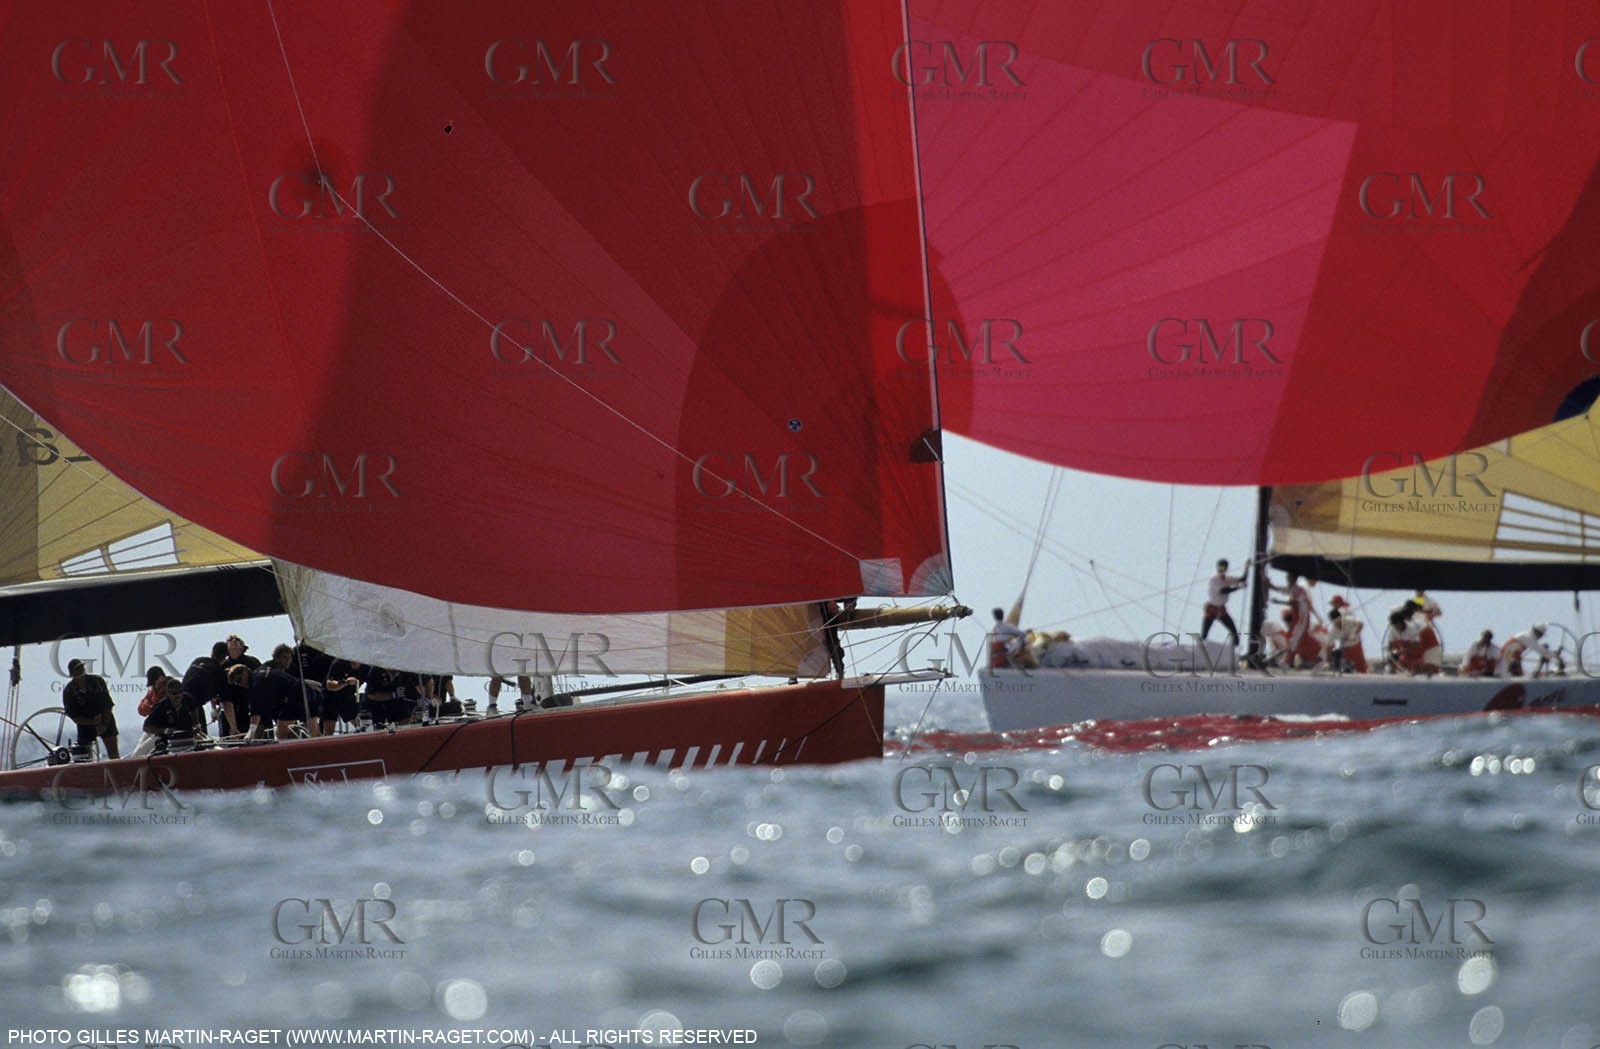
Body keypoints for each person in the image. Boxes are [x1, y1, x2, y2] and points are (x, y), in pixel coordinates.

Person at [62, 658, 119, 759]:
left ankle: (117, 770)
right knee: (84, 756)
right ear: (71, 673)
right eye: (77, 669)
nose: (80, 671)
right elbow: (74, 717)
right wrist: (92, 722)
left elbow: (108, 704)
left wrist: (104, 724)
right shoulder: (69, 691)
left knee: (113, 751)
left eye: (81, 668)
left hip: (105, 719)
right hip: (85, 724)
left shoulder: (97, 681)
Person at [1269, 573, 1322, 668]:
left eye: (1289, 578)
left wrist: (1278, 601)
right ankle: (1289, 661)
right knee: (1295, 639)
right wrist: (1269, 584)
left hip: (1302, 619)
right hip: (1298, 619)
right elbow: (1281, 589)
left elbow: (1294, 602)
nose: (1287, 580)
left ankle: (1288, 662)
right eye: (1287, 578)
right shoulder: (1293, 589)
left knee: (1294, 639)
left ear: (1294, 579)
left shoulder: (1298, 589)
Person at [183, 643, 229, 737]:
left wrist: (213, 708)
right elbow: (227, 703)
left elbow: (203, 684)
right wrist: (234, 727)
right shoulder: (219, 673)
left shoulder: (198, 660)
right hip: (193, 707)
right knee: (200, 738)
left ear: (212, 652)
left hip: (179, 702)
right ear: (225, 658)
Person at [219, 635, 259, 737]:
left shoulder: (252, 662)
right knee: (230, 736)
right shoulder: (222, 665)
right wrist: (214, 708)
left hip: (249, 703)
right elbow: (216, 685)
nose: (233, 641)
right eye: (230, 640)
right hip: (230, 705)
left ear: (242, 647)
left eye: (237, 640)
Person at [1201, 559, 1246, 645]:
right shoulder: (1214, 579)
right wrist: (1238, 588)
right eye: (1220, 567)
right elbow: (1223, 591)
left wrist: (1247, 568)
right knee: (1205, 633)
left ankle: (1234, 652)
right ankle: (1200, 650)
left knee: (1234, 632)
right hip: (1212, 608)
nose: (1222, 569)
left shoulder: (1227, 578)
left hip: (1221, 609)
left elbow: (1242, 579)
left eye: (1224, 567)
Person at [321, 657, 368, 735]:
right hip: (330, 697)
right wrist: (346, 682)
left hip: (348, 696)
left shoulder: (366, 667)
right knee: (328, 730)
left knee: (360, 725)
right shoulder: (339, 663)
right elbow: (329, 685)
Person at [1325, 598, 1367, 672]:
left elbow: (1361, 623)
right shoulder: (1333, 631)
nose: (1337, 623)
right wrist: (1328, 662)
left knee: (1362, 668)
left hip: (1356, 646)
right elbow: (1329, 646)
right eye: (1335, 622)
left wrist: (1353, 634)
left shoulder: (1348, 619)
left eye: (1338, 620)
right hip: (1345, 649)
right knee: (1346, 668)